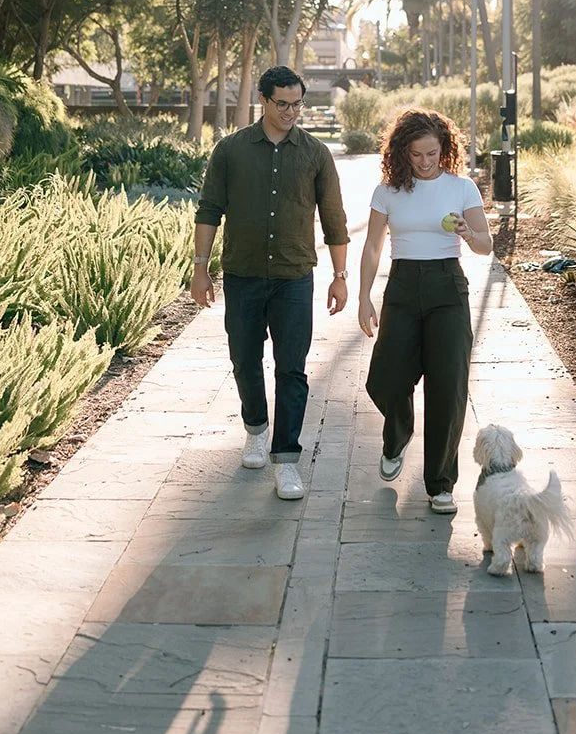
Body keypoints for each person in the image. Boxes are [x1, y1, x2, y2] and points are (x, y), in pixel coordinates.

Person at [192, 64, 350, 501]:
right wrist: (200, 266)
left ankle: (287, 460)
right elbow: (209, 210)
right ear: (264, 100)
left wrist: (340, 277)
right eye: (283, 104)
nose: (291, 112)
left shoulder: (316, 153)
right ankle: (256, 430)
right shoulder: (231, 150)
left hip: (294, 278)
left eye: (298, 104)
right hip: (242, 275)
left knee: (292, 370)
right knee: (244, 360)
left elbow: (334, 220)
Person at [358, 108, 492, 513]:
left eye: (432, 153)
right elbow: (373, 246)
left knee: (448, 385)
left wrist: (469, 234)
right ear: (402, 152)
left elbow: (486, 244)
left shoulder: (462, 187)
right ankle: (397, 435)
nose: (425, 161)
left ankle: (440, 483)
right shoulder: (388, 191)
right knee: (385, 378)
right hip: (401, 286)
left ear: (444, 149)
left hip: (447, 288)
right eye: (416, 154)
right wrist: (364, 296)